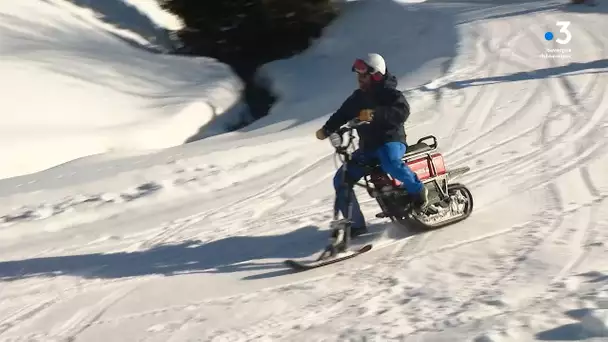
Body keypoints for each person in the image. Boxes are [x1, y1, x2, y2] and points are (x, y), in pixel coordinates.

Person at [315, 53, 429, 238]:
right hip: (368, 148)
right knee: (341, 180)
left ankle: (417, 189)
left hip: (391, 141)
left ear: (376, 75)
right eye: (358, 75)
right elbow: (342, 113)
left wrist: (375, 114)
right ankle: (355, 225)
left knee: (390, 162)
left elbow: (402, 112)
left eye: (364, 75)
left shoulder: (392, 94)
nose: (360, 79)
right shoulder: (358, 97)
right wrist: (327, 129)